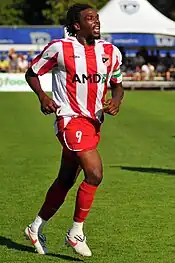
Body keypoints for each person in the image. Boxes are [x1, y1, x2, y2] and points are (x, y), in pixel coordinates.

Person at [24, 3, 124, 257]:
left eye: (97, 17)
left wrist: (116, 101)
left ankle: (35, 228)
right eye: (90, 18)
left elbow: (118, 84)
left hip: (93, 122)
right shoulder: (60, 48)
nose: (96, 21)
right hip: (69, 120)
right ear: (77, 25)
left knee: (66, 180)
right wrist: (43, 98)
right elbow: (32, 73)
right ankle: (76, 232)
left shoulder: (111, 52)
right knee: (94, 173)